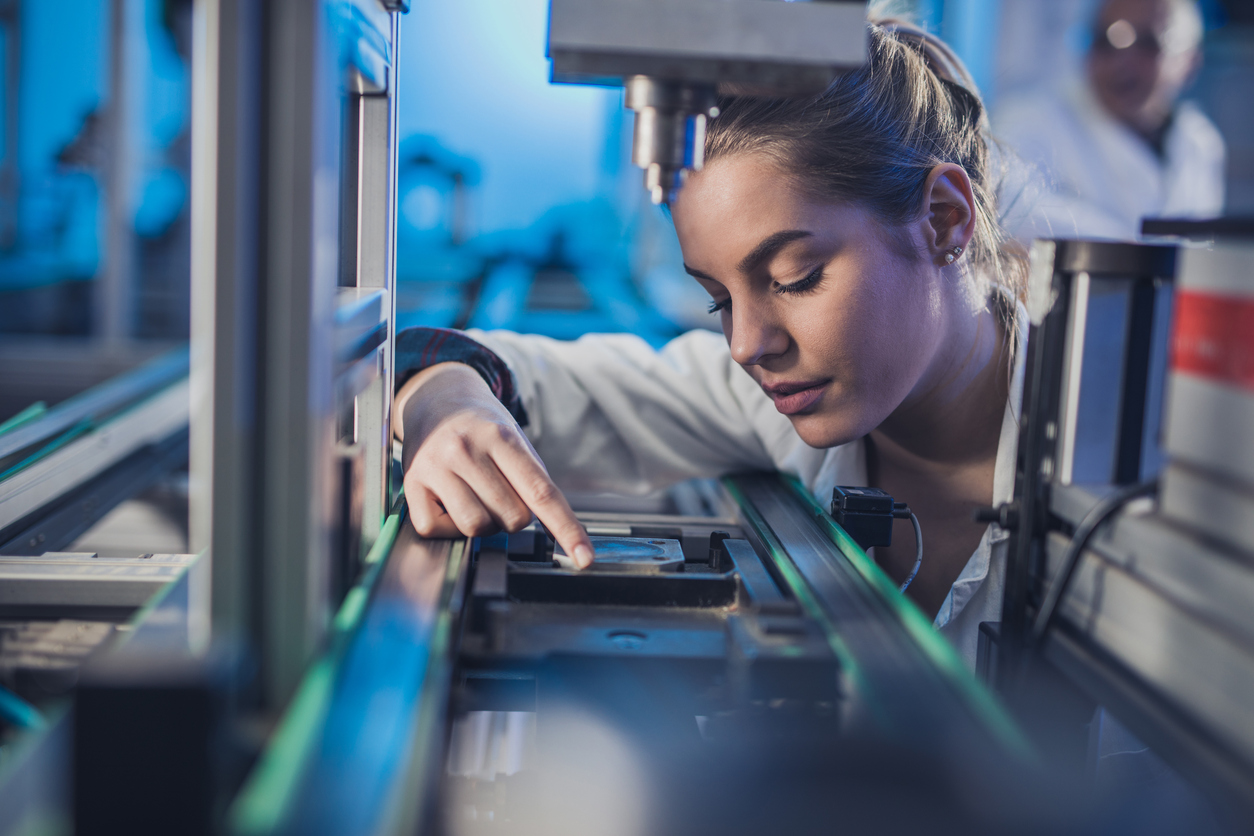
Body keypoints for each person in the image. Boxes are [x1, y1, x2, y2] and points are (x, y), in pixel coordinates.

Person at [392, 19, 1027, 666]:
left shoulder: (1120, 452)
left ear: (944, 219)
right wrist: (440, 396)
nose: (746, 346)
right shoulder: (764, 397)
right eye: (719, 300)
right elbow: (527, 378)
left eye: (794, 279)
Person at [995, 0, 1225, 242]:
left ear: (1190, 62)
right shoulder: (1031, 119)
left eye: (1148, 43)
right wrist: (1133, 244)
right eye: (1106, 41)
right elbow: (1009, 208)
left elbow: (1200, 253)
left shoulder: (1199, 143)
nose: (1122, 62)